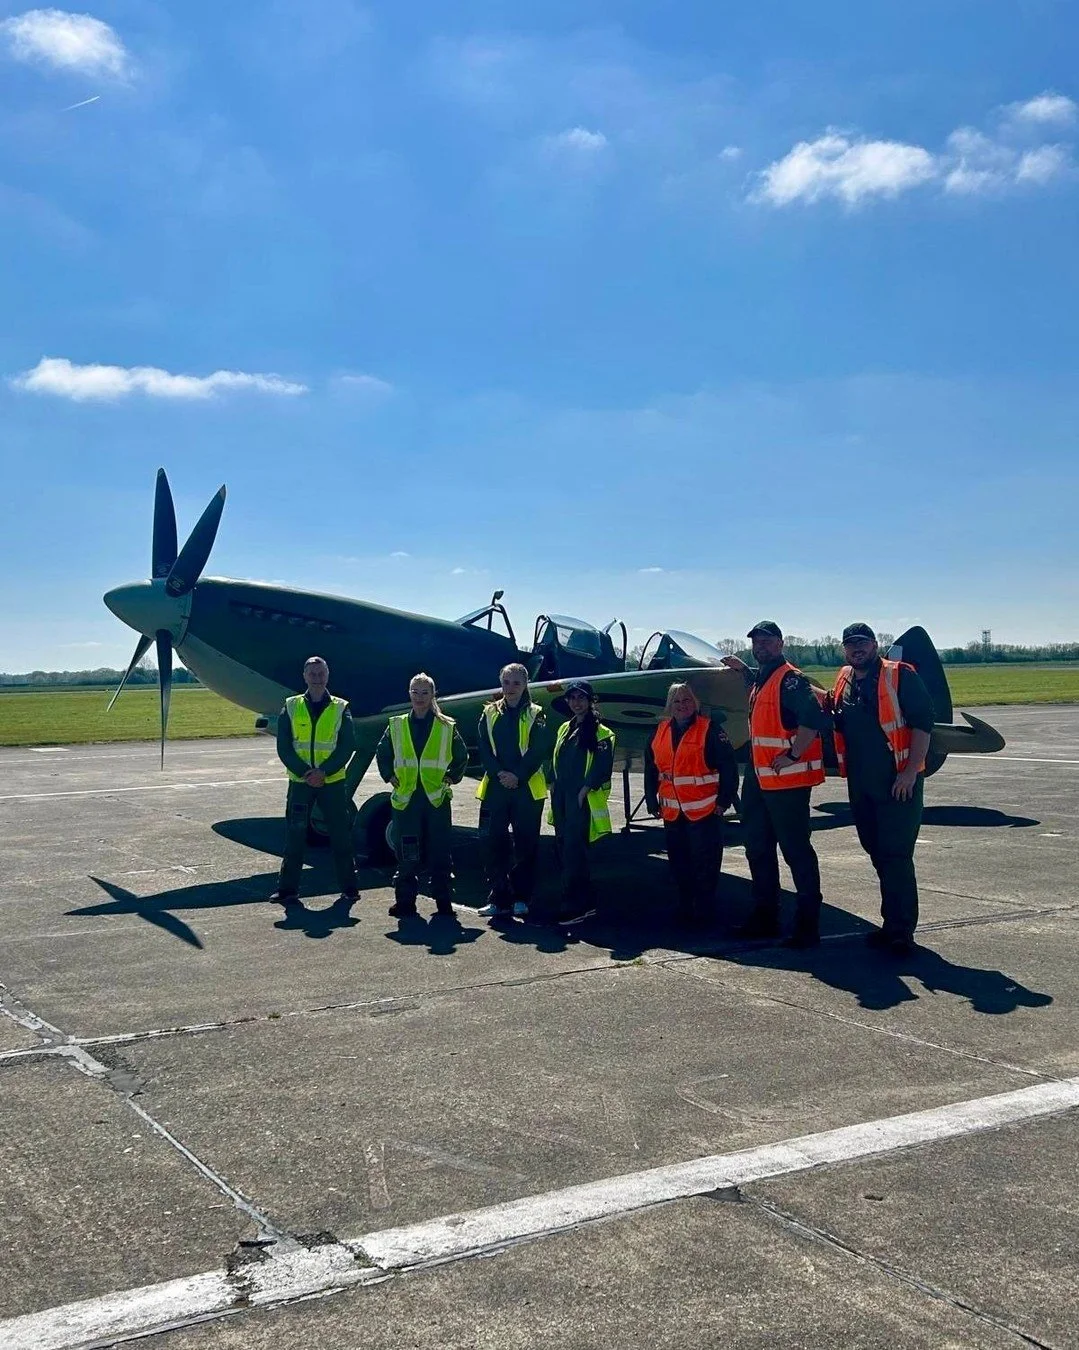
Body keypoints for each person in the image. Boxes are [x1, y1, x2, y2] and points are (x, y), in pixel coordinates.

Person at [831, 623, 935, 956]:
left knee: (896, 856)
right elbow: (836, 718)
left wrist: (909, 772)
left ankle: (902, 931)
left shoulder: (899, 674)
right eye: (850, 644)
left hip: (896, 783)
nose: (856, 649)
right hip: (861, 783)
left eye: (862, 643)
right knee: (876, 851)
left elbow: (923, 724)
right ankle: (891, 924)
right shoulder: (844, 678)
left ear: (875, 644)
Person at [722, 621, 828, 948]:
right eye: (756, 642)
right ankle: (766, 916)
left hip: (787, 781)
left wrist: (794, 755)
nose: (761, 646)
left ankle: (807, 925)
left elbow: (813, 719)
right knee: (757, 847)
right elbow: (766, 697)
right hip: (759, 779)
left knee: (796, 851)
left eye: (767, 641)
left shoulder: (791, 680)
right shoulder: (764, 678)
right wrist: (744, 671)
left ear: (780, 643)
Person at [375, 672, 468, 919]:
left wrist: (451, 777)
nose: (419, 697)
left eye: (424, 692)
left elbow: (461, 755)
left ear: (432, 695)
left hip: (435, 799)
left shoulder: (446, 726)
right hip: (407, 799)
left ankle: (443, 902)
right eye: (415, 692)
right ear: (409, 694)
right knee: (407, 852)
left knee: (439, 852)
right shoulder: (396, 724)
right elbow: (383, 752)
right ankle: (405, 902)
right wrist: (388, 775)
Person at [645, 682, 739, 926]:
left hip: (704, 810)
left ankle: (704, 910)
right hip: (673, 811)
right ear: (670, 705)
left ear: (695, 703)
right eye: (676, 701)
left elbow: (729, 766)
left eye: (687, 700)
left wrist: (723, 801)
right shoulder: (660, 730)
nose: (682, 705)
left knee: (704, 863)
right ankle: (685, 906)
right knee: (678, 861)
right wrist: (651, 798)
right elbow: (651, 766)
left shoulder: (710, 729)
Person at [272, 655, 360, 908]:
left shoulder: (341, 707)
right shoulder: (290, 706)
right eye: (312, 674)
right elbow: (284, 747)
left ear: (328, 675)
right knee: (295, 835)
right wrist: (305, 772)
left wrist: (324, 772)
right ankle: (287, 889)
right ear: (304, 676)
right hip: (300, 783)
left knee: (341, 836)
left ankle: (350, 888)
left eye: (321, 674)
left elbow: (347, 744)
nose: (317, 678)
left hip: (332, 783)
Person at [475, 663, 553, 919]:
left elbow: (538, 750)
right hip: (496, 787)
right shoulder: (488, 713)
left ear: (525, 685)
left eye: (516, 683)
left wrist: (517, 776)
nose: (510, 688)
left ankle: (521, 897)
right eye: (506, 682)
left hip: (526, 789)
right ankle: (497, 897)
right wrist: (499, 773)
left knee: (525, 844)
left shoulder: (536, 714)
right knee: (491, 841)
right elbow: (483, 748)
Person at [547, 680, 616, 923]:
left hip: (580, 801)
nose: (576, 702)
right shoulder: (565, 728)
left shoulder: (602, 733)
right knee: (562, 850)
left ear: (590, 701)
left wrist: (583, 791)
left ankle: (576, 905)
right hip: (562, 798)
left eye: (581, 698)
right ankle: (580, 901)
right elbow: (554, 758)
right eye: (572, 698)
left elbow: (602, 767)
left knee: (574, 853)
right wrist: (552, 783)